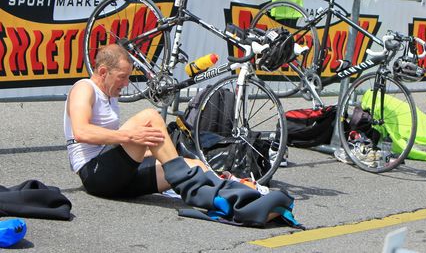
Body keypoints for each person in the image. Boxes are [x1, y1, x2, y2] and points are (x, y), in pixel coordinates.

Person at [64, 44, 300, 227]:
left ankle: (238, 196)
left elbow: (122, 145)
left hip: (114, 175)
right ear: (103, 72)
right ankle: (198, 190)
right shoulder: (84, 88)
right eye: (122, 77)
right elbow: (81, 132)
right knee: (149, 116)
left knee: (192, 164)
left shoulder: (109, 95)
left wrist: (152, 148)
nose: (126, 83)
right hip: (95, 176)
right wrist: (129, 136)